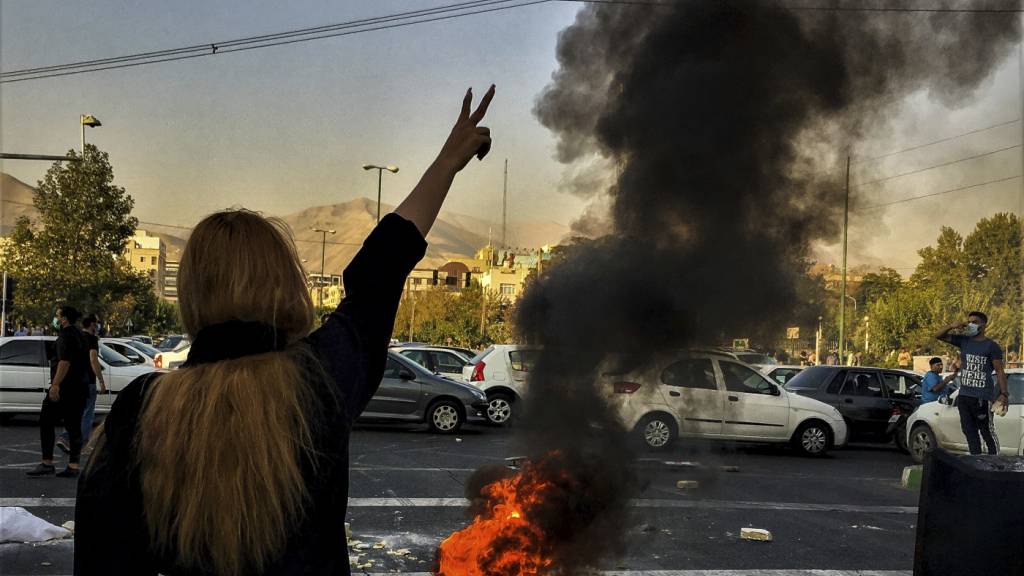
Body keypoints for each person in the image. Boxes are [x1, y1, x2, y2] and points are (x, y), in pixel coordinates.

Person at [75, 85, 495, 575]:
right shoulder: (319, 380)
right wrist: (446, 163)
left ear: (192, 293)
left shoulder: (138, 411)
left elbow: (100, 560)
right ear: (283, 283)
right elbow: (380, 271)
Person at [26, 305, 91, 478]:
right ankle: (73, 465)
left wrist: (55, 385)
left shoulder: (65, 336)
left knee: (46, 421)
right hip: (80, 387)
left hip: (65, 388)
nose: (55, 318)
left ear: (63, 319)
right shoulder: (81, 335)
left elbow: (64, 362)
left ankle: (47, 463)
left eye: (57, 316)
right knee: (74, 426)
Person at [936, 311, 1009, 455]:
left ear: (983, 325)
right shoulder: (964, 341)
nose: (970, 324)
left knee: (986, 430)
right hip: (964, 396)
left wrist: (1004, 394)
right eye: (969, 322)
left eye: (974, 322)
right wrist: (952, 325)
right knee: (969, 430)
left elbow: (1000, 371)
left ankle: (995, 461)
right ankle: (975, 460)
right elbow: (938, 335)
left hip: (982, 397)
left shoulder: (991, 346)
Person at [57, 315, 106, 454]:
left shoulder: (76, 336)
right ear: (91, 325)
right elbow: (93, 359)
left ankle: (65, 438)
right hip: (87, 381)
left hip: (73, 380)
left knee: (74, 412)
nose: (97, 326)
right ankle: (79, 444)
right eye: (96, 323)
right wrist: (101, 380)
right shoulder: (91, 339)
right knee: (87, 414)